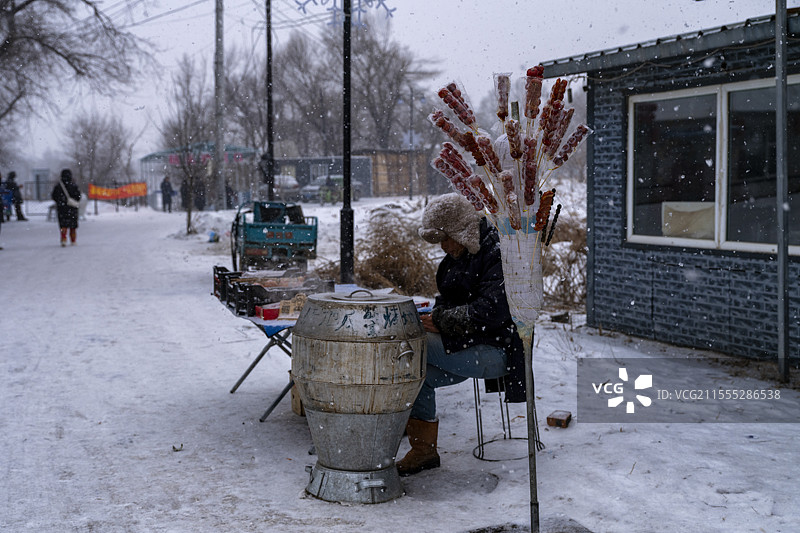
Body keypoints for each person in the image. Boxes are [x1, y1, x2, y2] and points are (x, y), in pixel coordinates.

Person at [396, 193, 525, 476]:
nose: (443, 246)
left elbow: (493, 310)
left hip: (498, 351)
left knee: (409, 348)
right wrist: (434, 316)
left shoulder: (496, 253)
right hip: (469, 345)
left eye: (446, 238)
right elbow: (451, 301)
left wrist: (441, 320)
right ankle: (423, 451)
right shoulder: (458, 257)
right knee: (416, 375)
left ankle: (395, 427)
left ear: (461, 230)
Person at [51, 168, 81, 246]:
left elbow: (54, 196)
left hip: (62, 208)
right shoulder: (73, 185)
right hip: (72, 208)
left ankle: (63, 239)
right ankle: (73, 240)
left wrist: (60, 202)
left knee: (63, 225)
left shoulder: (58, 186)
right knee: (72, 225)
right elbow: (78, 196)